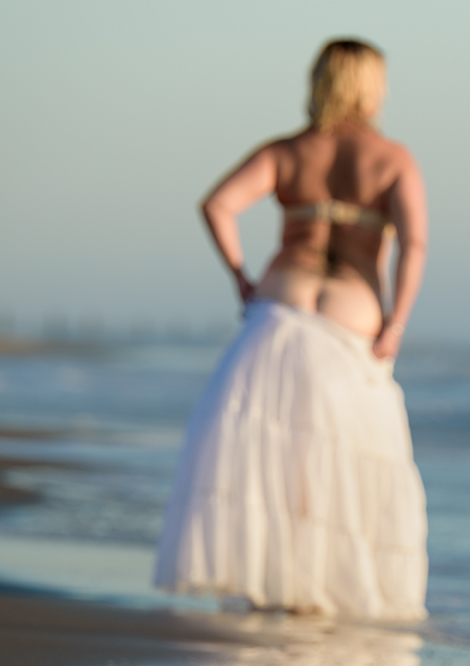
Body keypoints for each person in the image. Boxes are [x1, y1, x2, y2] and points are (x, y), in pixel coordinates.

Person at [154, 39, 428, 620]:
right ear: (372, 87)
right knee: (343, 461)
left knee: (273, 455)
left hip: (279, 307)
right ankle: (321, 596)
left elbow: (218, 204)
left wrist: (241, 279)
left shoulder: (288, 151)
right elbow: (415, 243)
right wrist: (397, 323)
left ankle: (272, 586)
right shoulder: (392, 158)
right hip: (350, 313)